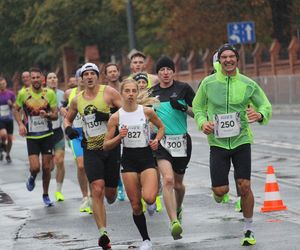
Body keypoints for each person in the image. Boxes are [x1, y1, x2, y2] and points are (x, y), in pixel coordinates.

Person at [192, 43, 272, 246]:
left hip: (241, 139)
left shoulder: (247, 83)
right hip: (217, 143)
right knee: (221, 190)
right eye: (224, 57)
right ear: (219, 61)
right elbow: (198, 106)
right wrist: (203, 123)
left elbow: (264, 104)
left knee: (244, 186)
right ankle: (218, 193)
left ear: (237, 59)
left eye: (231, 56)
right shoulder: (208, 83)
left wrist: (260, 114)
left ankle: (248, 228)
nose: (228, 60)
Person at [64, 62, 122, 249]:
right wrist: (68, 129)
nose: (89, 77)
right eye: (85, 74)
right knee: (97, 189)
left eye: (92, 74)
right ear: (81, 78)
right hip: (90, 149)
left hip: (111, 147)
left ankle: (112, 189)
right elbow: (68, 117)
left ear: (98, 76)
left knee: (110, 195)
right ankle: (103, 233)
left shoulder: (109, 92)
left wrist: (107, 117)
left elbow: (126, 112)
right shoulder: (77, 100)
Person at [104, 79, 164, 250]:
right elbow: (106, 145)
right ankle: (146, 240)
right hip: (128, 160)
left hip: (146, 158)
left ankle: (152, 200)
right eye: (127, 91)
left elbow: (161, 128)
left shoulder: (146, 112)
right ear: (121, 93)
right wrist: (119, 137)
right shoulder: (116, 117)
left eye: (133, 91)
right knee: (136, 205)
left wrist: (156, 141)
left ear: (137, 93)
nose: (130, 94)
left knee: (150, 198)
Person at [150, 56, 195, 240]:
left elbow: (199, 113)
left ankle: (178, 207)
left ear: (173, 71)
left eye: (169, 69)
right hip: (162, 142)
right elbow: (144, 116)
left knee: (178, 185)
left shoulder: (183, 88)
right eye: (162, 70)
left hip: (182, 141)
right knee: (167, 180)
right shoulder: (151, 93)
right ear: (158, 73)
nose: (165, 72)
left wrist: (183, 108)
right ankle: (174, 222)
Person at [14, 67, 58, 206]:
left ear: (42, 79)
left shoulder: (49, 94)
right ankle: (32, 176)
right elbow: (16, 109)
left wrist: (48, 115)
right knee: (35, 167)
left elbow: (55, 115)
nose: (35, 80)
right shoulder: (23, 94)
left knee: (46, 167)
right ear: (30, 79)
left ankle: (45, 195)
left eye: (37, 77)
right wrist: (21, 124)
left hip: (47, 135)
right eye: (33, 78)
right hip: (32, 137)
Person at [61, 67, 92, 213]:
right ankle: (85, 196)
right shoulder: (70, 93)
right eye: (80, 76)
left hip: (92, 133)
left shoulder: (93, 93)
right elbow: (61, 107)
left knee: (92, 165)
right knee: (81, 166)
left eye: (84, 76)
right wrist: (64, 113)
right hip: (77, 133)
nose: (82, 79)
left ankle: (93, 196)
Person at [104, 63, 125, 201]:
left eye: (114, 71)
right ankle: (120, 185)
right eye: (109, 72)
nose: (112, 73)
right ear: (106, 75)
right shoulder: (104, 91)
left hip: (128, 126)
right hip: (112, 129)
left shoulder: (125, 87)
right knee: (116, 159)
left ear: (118, 72)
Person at [46, 72, 66, 202]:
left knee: (60, 161)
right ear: (46, 81)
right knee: (48, 167)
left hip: (58, 131)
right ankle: (46, 191)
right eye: (50, 78)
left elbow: (67, 112)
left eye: (55, 77)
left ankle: (58, 191)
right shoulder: (42, 94)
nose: (53, 80)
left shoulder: (62, 94)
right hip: (45, 133)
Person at [0, 77, 16, 163]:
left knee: (10, 138)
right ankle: (2, 144)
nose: (2, 85)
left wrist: (11, 104)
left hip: (9, 119)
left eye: (3, 83)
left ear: (6, 84)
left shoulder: (10, 94)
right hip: (0, 119)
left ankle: (7, 154)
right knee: (3, 134)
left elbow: (15, 106)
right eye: (0, 84)